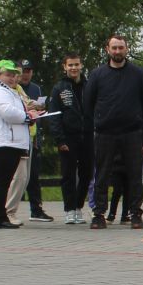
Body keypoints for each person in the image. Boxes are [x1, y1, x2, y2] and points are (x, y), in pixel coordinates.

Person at [83, 34, 143, 230]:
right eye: (114, 48)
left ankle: (135, 214)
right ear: (107, 49)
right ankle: (99, 214)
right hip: (105, 133)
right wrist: (96, 124)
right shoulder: (97, 75)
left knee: (135, 174)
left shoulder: (138, 74)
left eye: (121, 47)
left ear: (126, 49)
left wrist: (142, 130)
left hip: (132, 133)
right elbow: (88, 104)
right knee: (102, 174)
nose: (118, 51)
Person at [0, 60, 33, 230]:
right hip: (1, 142)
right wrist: (27, 117)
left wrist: (28, 116)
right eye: (8, 75)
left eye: (14, 75)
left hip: (8, 141)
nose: (12, 78)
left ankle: (0, 216)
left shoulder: (6, 91)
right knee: (2, 181)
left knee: (5, 181)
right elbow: (8, 113)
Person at [48, 54, 91, 224]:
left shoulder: (89, 86)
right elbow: (54, 116)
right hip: (68, 138)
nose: (74, 68)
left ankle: (79, 206)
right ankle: (69, 209)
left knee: (87, 174)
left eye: (76, 65)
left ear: (81, 66)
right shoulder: (59, 88)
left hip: (87, 136)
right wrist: (60, 139)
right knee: (68, 174)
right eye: (70, 65)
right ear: (64, 67)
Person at [17, 61, 53, 221]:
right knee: (16, 176)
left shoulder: (36, 88)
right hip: (17, 137)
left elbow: (41, 111)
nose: (26, 74)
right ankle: (8, 209)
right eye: (23, 71)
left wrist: (40, 108)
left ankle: (36, 209)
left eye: (28, 71)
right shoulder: (13, 88)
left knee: (33, 175)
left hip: (33, 136)